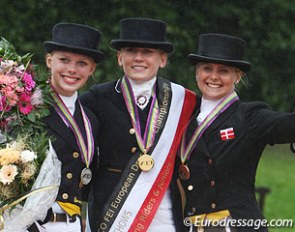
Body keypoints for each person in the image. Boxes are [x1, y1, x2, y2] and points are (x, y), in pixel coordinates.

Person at [80, 17, 196, 232]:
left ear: (162, 59)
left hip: (165, 214)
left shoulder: (184, 101)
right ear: (119, 57)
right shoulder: (97, 98)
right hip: (111, 213)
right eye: (131, 50)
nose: (139, 58)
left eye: (148, 52)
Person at [172, 33, 295, 232]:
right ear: (197, 73)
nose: (213, 76)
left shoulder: (250, 117)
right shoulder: (184, 116)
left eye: (224, 71)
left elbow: (288, 125)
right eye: (207, 68)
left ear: (237, 76)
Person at [27, 22, 104, 232]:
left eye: (82, 63)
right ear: (49, 60)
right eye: (64, 60)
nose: (72, 69)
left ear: (91, 69)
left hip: (71, 224)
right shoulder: (26, 109)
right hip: (28, 223)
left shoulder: (90, 120)